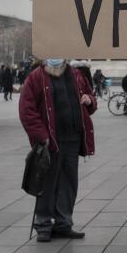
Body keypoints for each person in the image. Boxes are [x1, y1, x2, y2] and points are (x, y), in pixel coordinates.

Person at [19, 57, 96, 241]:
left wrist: (89, 100)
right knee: (47, 182)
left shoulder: (76, 75)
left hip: (73, 138)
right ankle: (44, 224)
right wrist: (41, 136)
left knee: (69, 183)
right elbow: (26, 110)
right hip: (51, 140)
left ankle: (63, 223)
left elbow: (91, 101)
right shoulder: (36, 77)